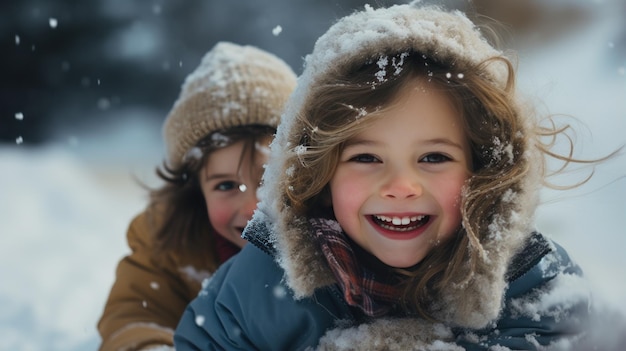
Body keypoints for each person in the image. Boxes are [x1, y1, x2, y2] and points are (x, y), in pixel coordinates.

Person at [174, 4, 616, 351]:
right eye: (366, 158)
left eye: (433, 157)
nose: (401, 186)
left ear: (484, 170)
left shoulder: (529, 281)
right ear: (320, 172)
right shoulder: (266, 280)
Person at [96, 41, 296, 351]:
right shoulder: (169, 242)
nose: (251, 206)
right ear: (195, 192)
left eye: (267, 179)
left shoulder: (335, 235)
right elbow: (134, 314)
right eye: (226, 186)